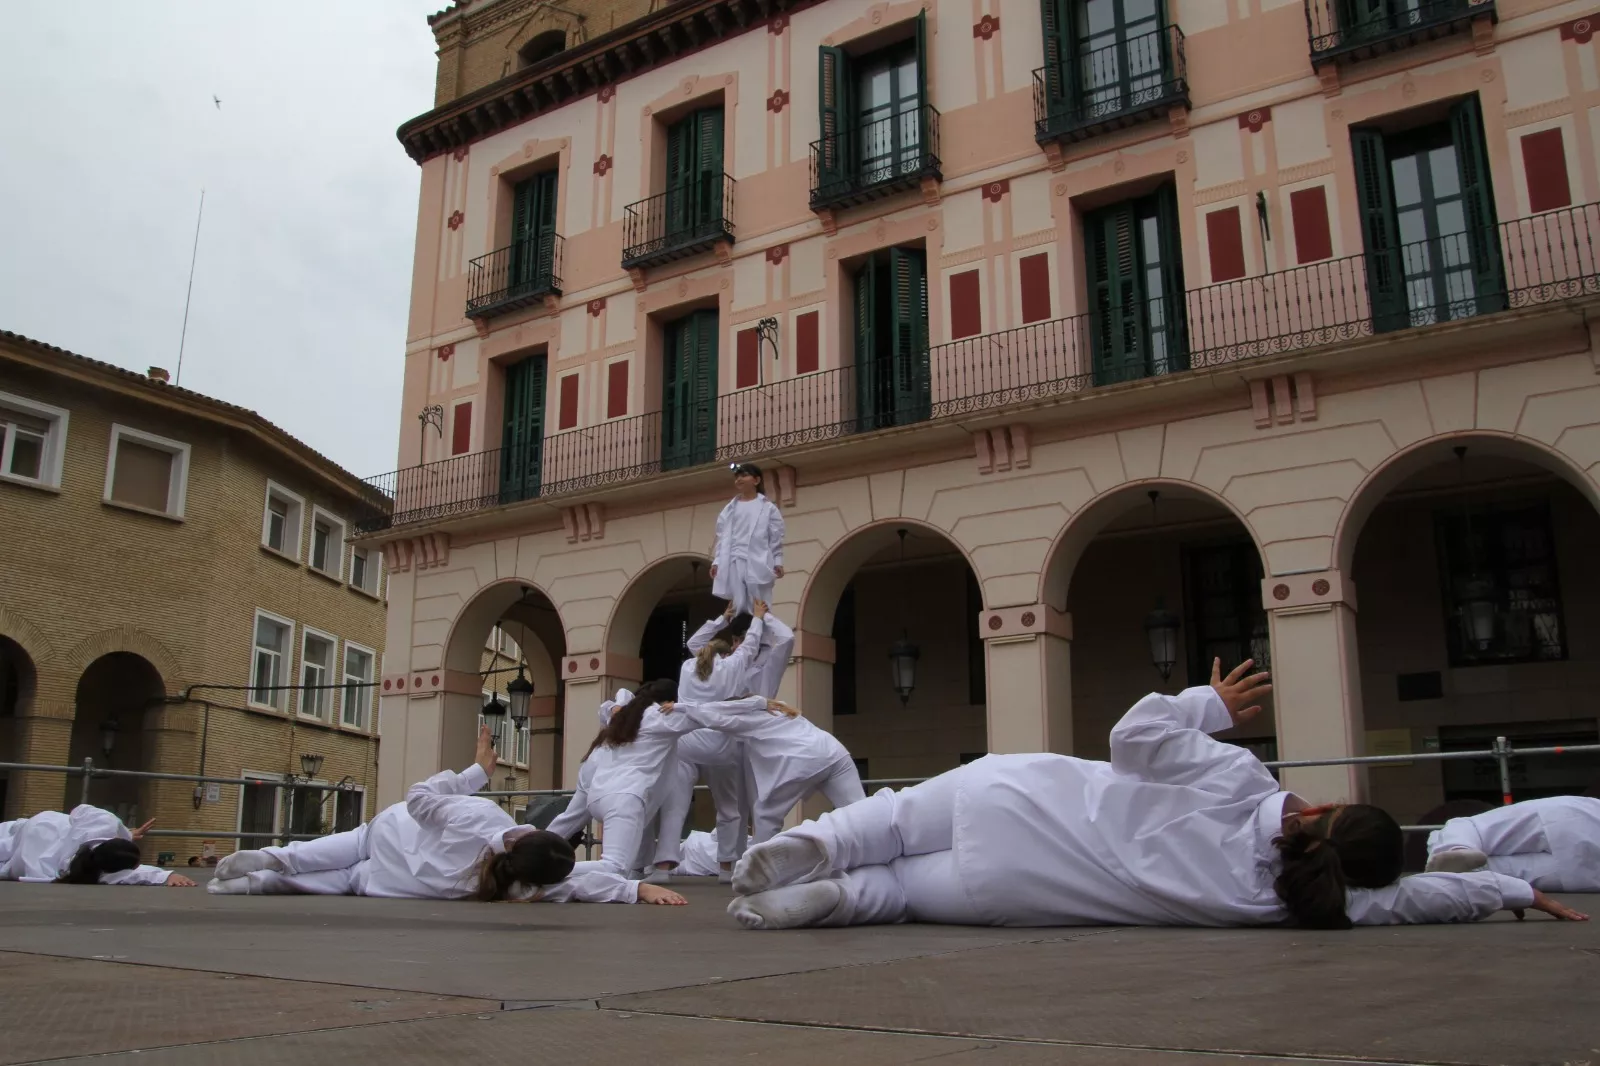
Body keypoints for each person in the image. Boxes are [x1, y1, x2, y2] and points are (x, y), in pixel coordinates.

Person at [725, 660, 1588, 931]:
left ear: (1321, 810)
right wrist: (1505, 889)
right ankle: (835, 897)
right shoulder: (1289, 904)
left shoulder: (1243, 780)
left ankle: (822, 846)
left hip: (1025, 799)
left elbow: (1131, 737)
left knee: (897, 816)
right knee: (903, 893)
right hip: (1017, 892)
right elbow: (1414, 902)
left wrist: (1209, 706)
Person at [209, 725, 685, 906]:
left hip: (385, 835)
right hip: (383, 880)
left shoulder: (482, 821)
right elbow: (578, 880)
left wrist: (474, 773)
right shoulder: (515, 889)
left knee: (310, 855)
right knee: (335, 878)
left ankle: (273, 859)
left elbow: (419, 798)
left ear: (529, 836)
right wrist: (634, 887)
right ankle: (263, 882)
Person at [538, 679, 706, 878]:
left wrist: (617, 705)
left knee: (569, 820)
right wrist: (682, 706)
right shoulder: (660, 718)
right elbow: (706, 715)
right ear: (668, 702)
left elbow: (619, 696)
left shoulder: (625, 715)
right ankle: (533, 870)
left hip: (597, 786)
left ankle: (528, 853)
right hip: (624, 797)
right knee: (614, 867)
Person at [663, 694, 865, 845]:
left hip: (802, 761)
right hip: (834, 752)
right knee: (861, 812)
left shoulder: (748, 718)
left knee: (766, 815)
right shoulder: (781, 708)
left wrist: (680, 707)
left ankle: (760, 873)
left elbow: (714, 717)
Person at [1426, 795, 1600, 894]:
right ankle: (1456, 861)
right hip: (1585, 871)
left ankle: (1454, 849)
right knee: (1500, 871)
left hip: (1576, 819)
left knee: (1474, 828)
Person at [0, 806, 195, 886]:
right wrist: (167, 875)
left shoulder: (103, 823)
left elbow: (79, 810)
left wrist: (127, 832)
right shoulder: (91, 871)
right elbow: (134, 874)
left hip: (43, 827)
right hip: (32, 855)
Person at [710, 463, 785, 615]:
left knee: (760, 603)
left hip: (758, 559)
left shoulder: (768, 508)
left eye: (743, 475)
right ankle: (742, 635)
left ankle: (763, 635)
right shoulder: (730, 509)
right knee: (739, 604)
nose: (739, 479)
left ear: (756, 481)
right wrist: (717, 561)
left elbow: (775, 537)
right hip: (735, 559)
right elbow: (723, 537)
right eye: (737, 477)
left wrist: (777, 561)